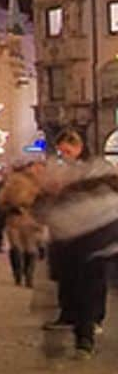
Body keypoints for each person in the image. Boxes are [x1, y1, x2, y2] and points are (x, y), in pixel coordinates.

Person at [36, 128, 118, 358]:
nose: (65, 155)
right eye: (61, 151)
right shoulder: (60, 170)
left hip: (95, 236)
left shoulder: (96, 168)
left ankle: (87, 334)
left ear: (78, 147)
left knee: (90, 286)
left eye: (67, 150)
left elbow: (108, 192)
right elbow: (47, 200)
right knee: (71, 284)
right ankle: (72, 319)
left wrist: (70, 186)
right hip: (68, 238)